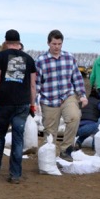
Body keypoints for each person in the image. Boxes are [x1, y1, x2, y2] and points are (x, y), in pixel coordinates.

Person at [0, 29, 37, 183]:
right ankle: (15, 174)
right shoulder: (29, 59)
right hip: (22, 104)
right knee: (18, 139)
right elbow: (33, 85)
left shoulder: (0, 57)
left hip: (3, 103)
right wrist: (33, 105)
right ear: (19, 41)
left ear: (6, 41)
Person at [36, 30, 88, 162]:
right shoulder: (41, 61)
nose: (56, 47)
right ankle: (48, 157)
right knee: (50, 131)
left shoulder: (69, 58)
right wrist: (34, 102)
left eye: (59, 44)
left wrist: (82, 95)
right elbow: (36, 83)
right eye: (54, 43)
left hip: (67, 96)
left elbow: (76, 78)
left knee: (74, 117)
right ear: (48, 43)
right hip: (49, 99)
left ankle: (66, 150)